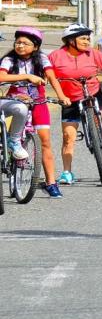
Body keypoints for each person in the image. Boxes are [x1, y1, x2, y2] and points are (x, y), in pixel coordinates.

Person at [49, 23, 102, 185]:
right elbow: (44, 71)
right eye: (83, 38)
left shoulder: (92, 54)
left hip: (93, 94)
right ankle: (67, 172)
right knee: (68, 137)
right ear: (71, 40)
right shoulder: (56, 56)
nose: (87, 42)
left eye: (88, 38)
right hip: (69, 99)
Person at [0, 28, 71, 198]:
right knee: (6, 137)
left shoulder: (42, 59)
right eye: (18, 42)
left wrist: (62, 96)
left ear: (36, 47)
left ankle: (51, 183)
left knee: (45, 142)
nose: (20, 46)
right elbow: (1, 77)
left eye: (25, 43)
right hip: (15, 102)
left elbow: (52, 78)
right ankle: (9, 156)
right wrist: (26, 77)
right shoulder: (9, 59)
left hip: (38, 102)